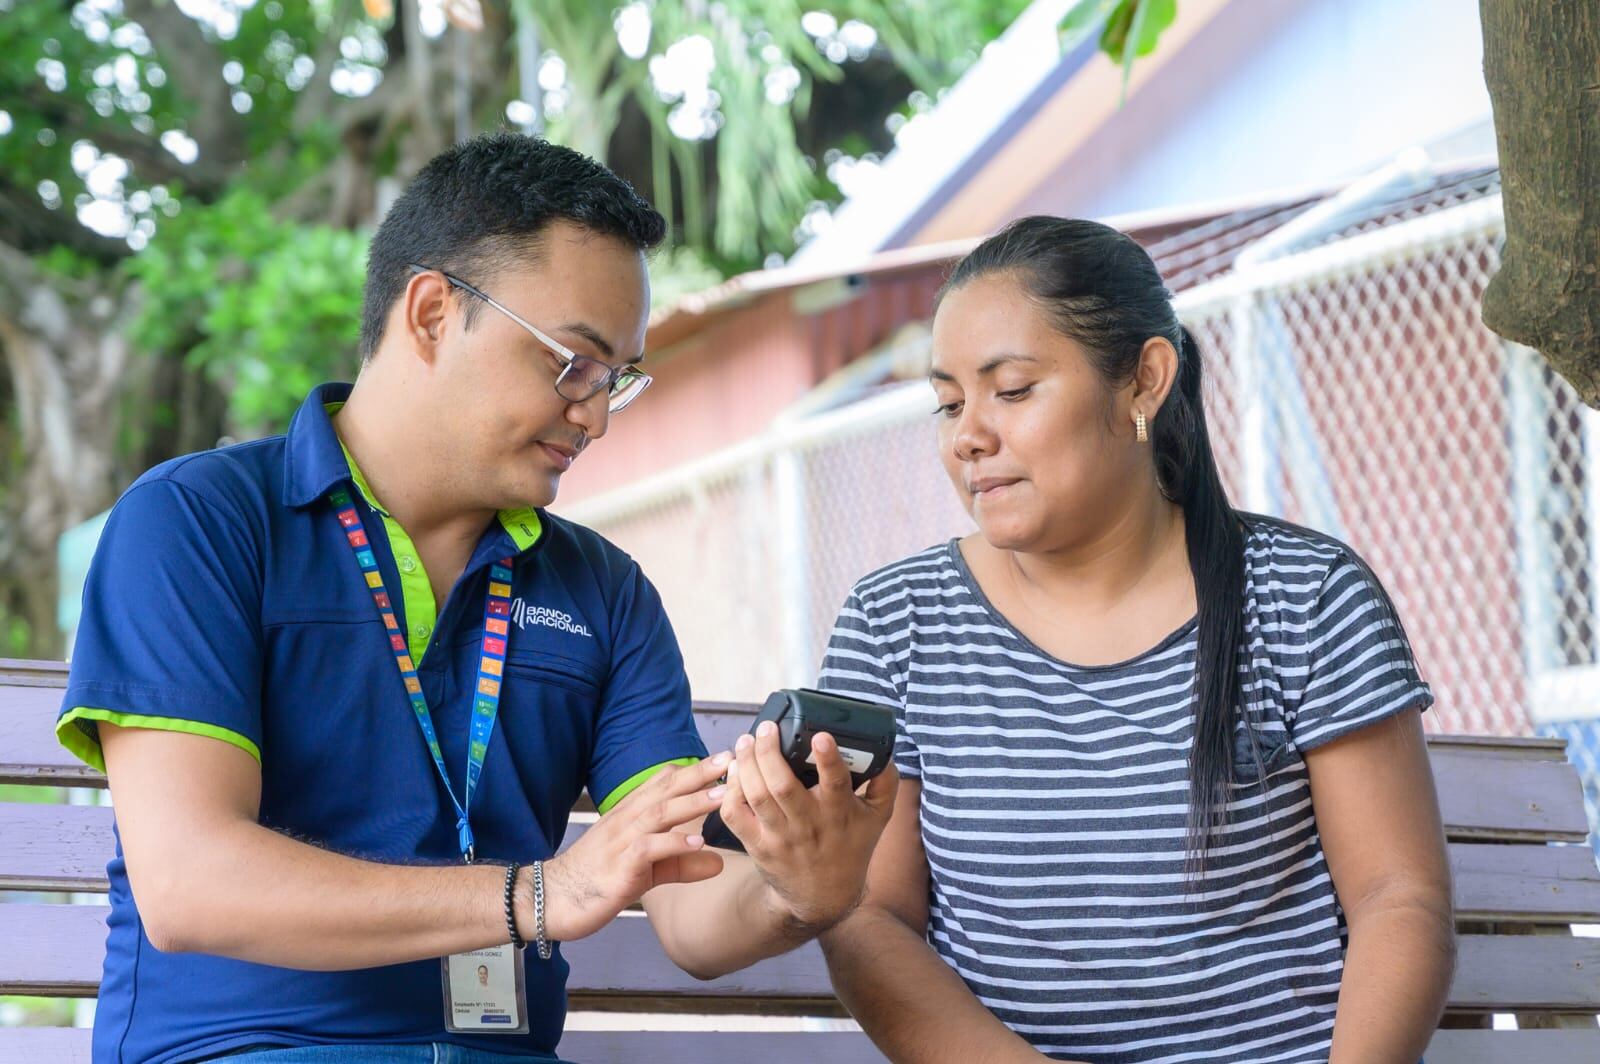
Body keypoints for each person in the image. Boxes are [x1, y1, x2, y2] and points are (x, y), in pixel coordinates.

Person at [56, 133, 895, 1064]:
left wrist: (797, 890)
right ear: (429, 313)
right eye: (570, 362)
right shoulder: (197, 523)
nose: (597, 413)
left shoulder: (604, 591)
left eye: (616, 378)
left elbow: (691, 911)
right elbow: (190, 884)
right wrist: (538, 895)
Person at [816, 216, 1454, 1064]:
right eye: (948, 402)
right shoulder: (896, 623)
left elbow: (1397, 897)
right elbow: (869, 915)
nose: (967, 434)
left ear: (1145, 380)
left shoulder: (1306, 596)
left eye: (1010, 390)